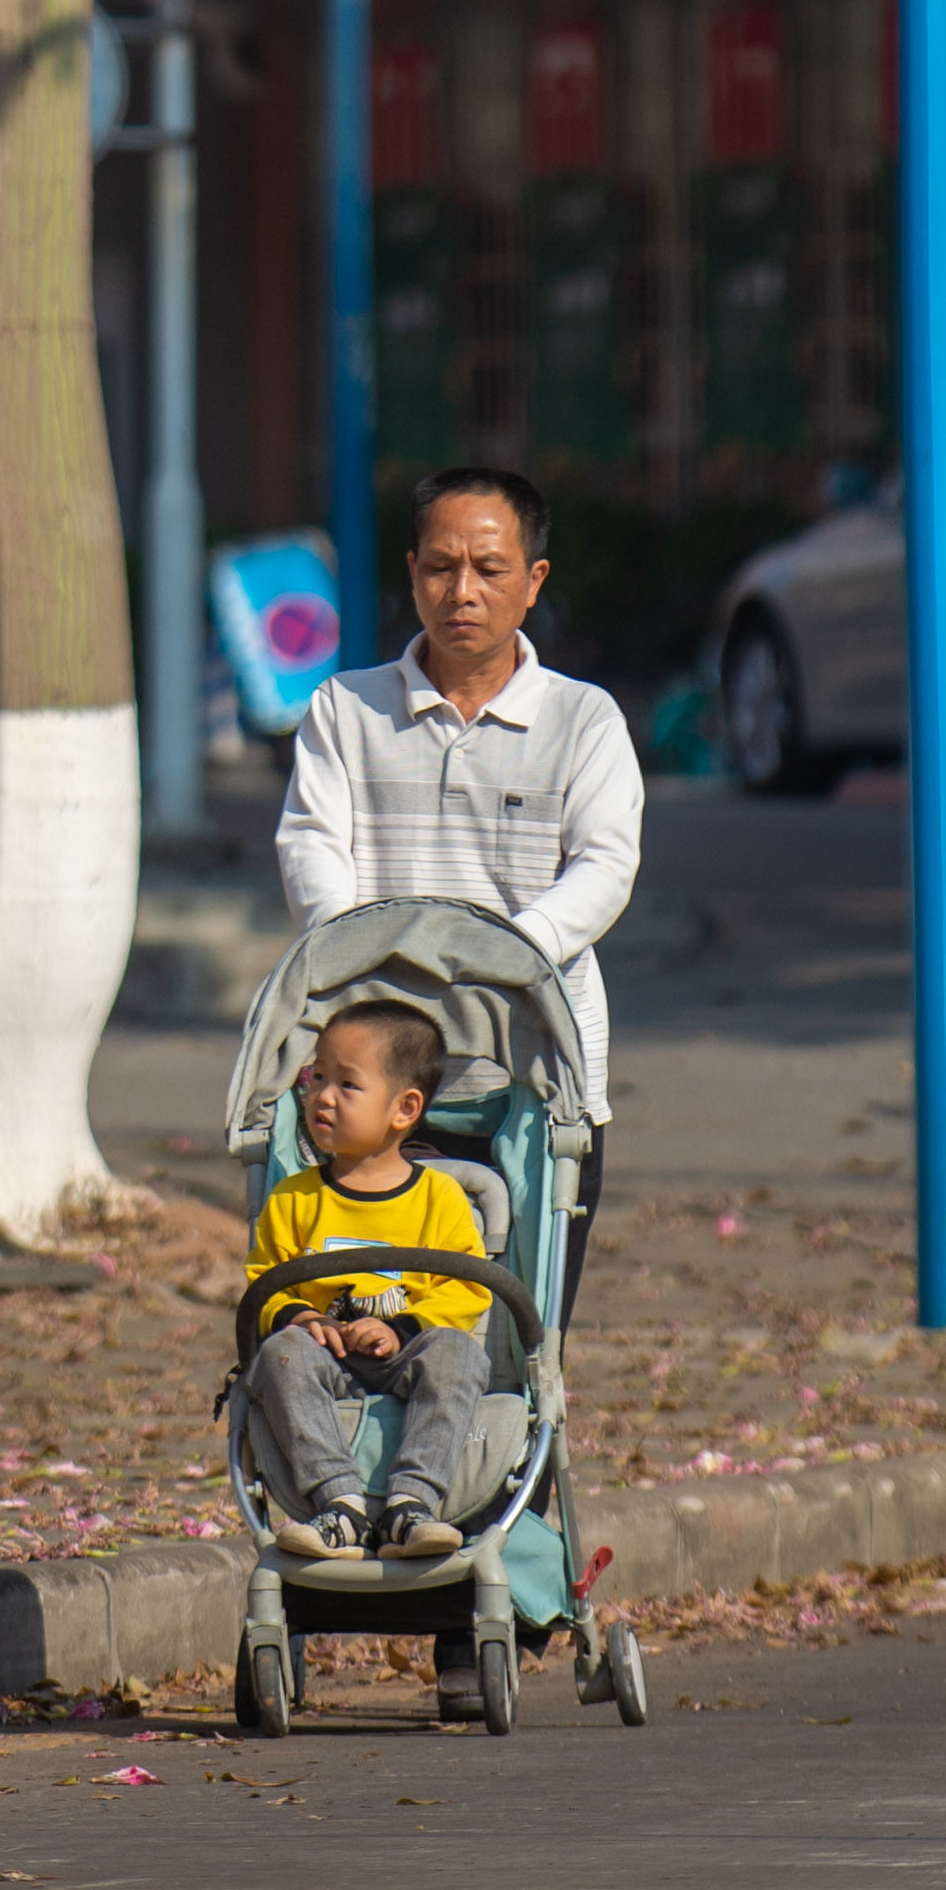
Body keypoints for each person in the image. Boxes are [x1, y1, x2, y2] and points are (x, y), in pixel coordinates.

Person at [277, 462, 643, 1328]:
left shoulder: (584, 720)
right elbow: (310, 845)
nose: (462, 590)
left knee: (521, 1334)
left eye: (488, 567)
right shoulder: (343, 709)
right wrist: (366, 949)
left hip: (537, 1080)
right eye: (440, 567)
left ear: (533, 580)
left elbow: (603, 865)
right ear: (411, 573)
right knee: (356, 1316)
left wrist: (505, 953)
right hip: (372, 1086)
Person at [237, 996, 488, 1558]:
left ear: (404, 1108)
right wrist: (301, 1316)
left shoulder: (439, 1198)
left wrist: (401, 1329)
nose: (322, 1096)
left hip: (408, 1349)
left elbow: (468, 1286)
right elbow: (265, 1282)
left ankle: (411, 1503)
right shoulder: (295, 1199)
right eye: (317, 1077)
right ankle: (340, 1503)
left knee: (459, 1354)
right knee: (279, 1354)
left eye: (347, 1085)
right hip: (324, 1355)